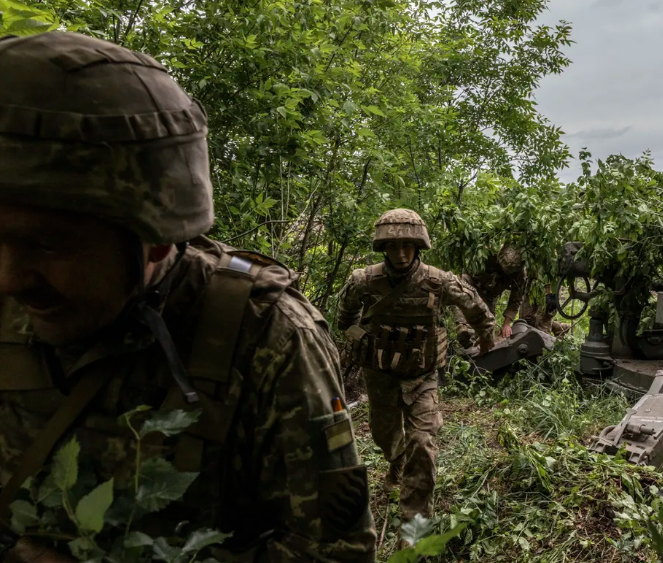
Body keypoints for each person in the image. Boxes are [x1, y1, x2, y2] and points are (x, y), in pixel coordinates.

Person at [0, 32, 375, 562]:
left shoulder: (265, 338)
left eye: (49, 244)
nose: (10, 279)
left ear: (156, 237)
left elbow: (334, 553)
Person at [336, 209, 495, 532]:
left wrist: (486, 334)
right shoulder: (364, 280)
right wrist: (360, 338)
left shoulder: (438, 281)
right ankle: (396, 461)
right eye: (393, 247)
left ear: (419, 245)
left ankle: (415, 527)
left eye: (408, 245)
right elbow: (345, 317)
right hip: (379, 374)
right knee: (384, 436)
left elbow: (473, 305)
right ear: (383, 248)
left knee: (422, 443)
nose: (401, 253)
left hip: (422, 375)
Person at [452, 244, 527, 346]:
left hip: (489, 296)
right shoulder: (488, 251)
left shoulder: (520, 274)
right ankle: (463, 329)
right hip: (470, 283)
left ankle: (471, 348)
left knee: (486, 331)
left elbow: (516, 299)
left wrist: (507, 323)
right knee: (460, 293)